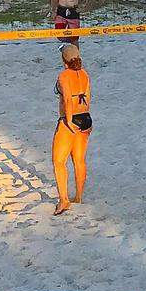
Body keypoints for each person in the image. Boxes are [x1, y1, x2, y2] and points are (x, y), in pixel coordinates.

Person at [52, 43, 91, 216]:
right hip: (85, 118)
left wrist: (68, 121)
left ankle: (64, 200)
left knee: (59, 162)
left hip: (70, 120)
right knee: (79, 160)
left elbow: (67, 99)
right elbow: (88, 97)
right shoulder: (84, 74)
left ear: (64, 60)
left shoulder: (64, 75)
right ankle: (79, 196)